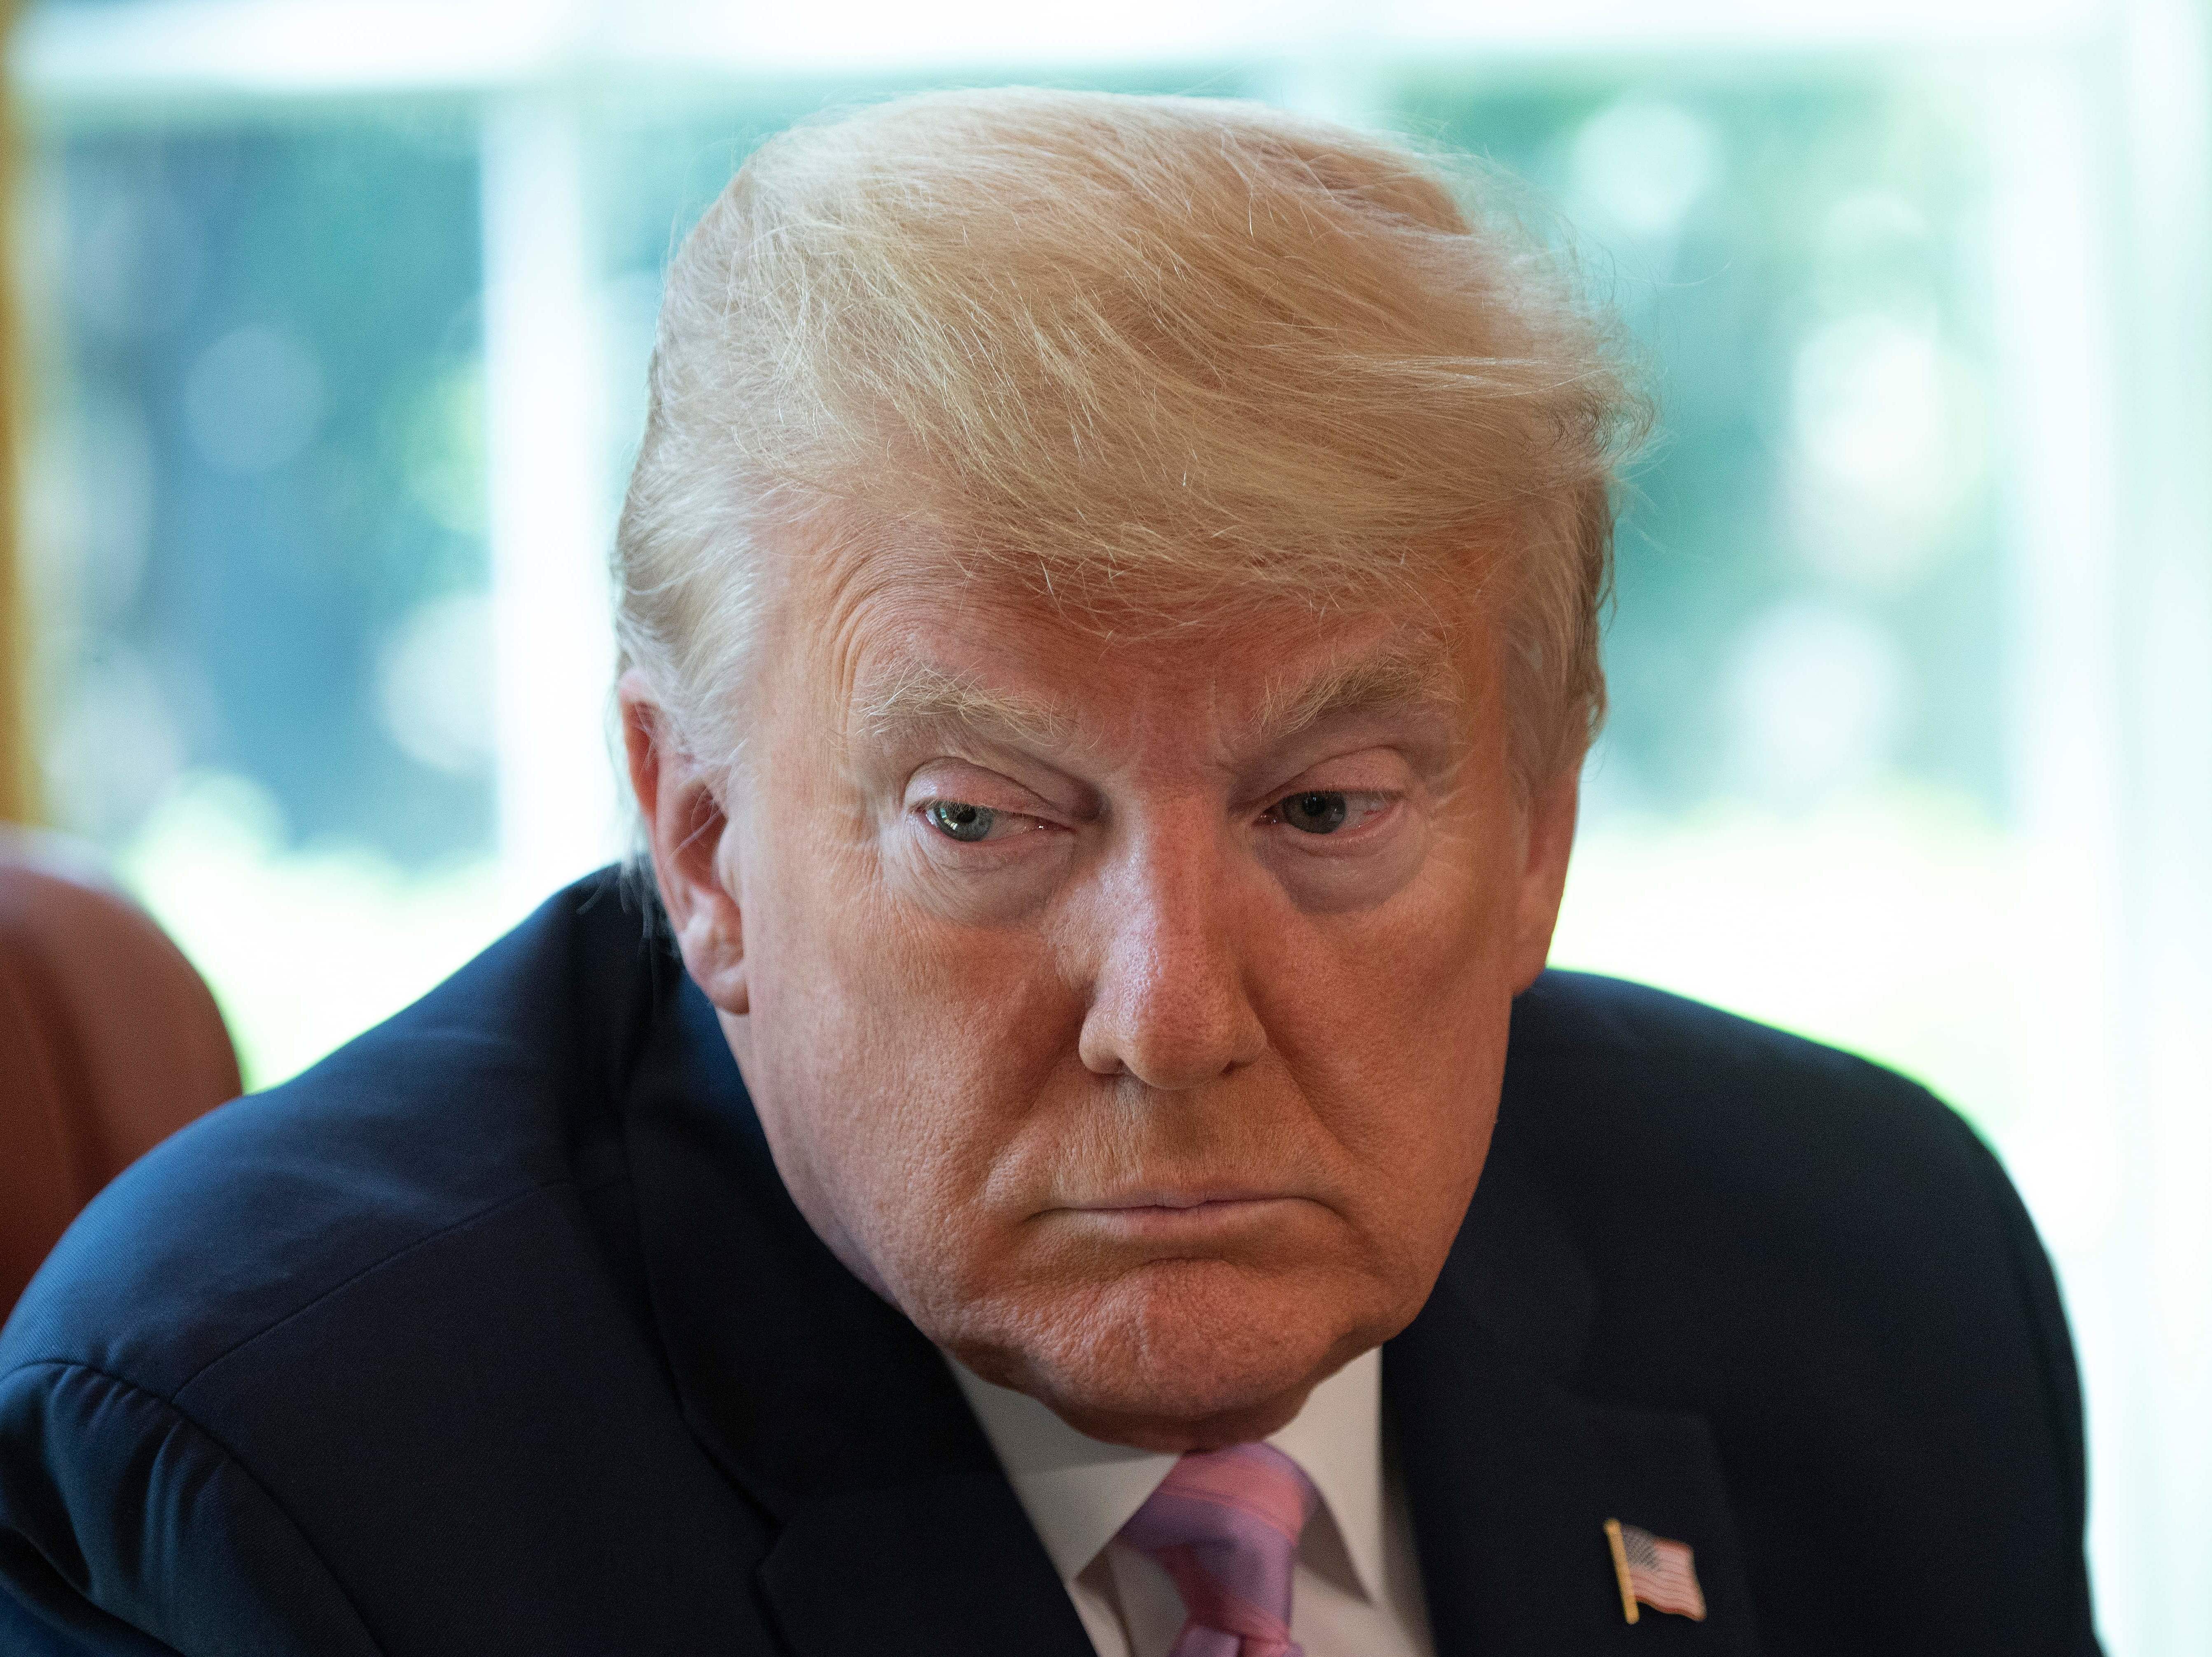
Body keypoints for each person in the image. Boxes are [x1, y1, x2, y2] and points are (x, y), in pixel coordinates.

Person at [0, 89, 2098, 1657]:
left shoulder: (1871, 1275)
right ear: (703, 847)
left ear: (1539, 822)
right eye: (983, 822)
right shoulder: (274, 1471)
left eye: (1325, 810)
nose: (1172, 1014)